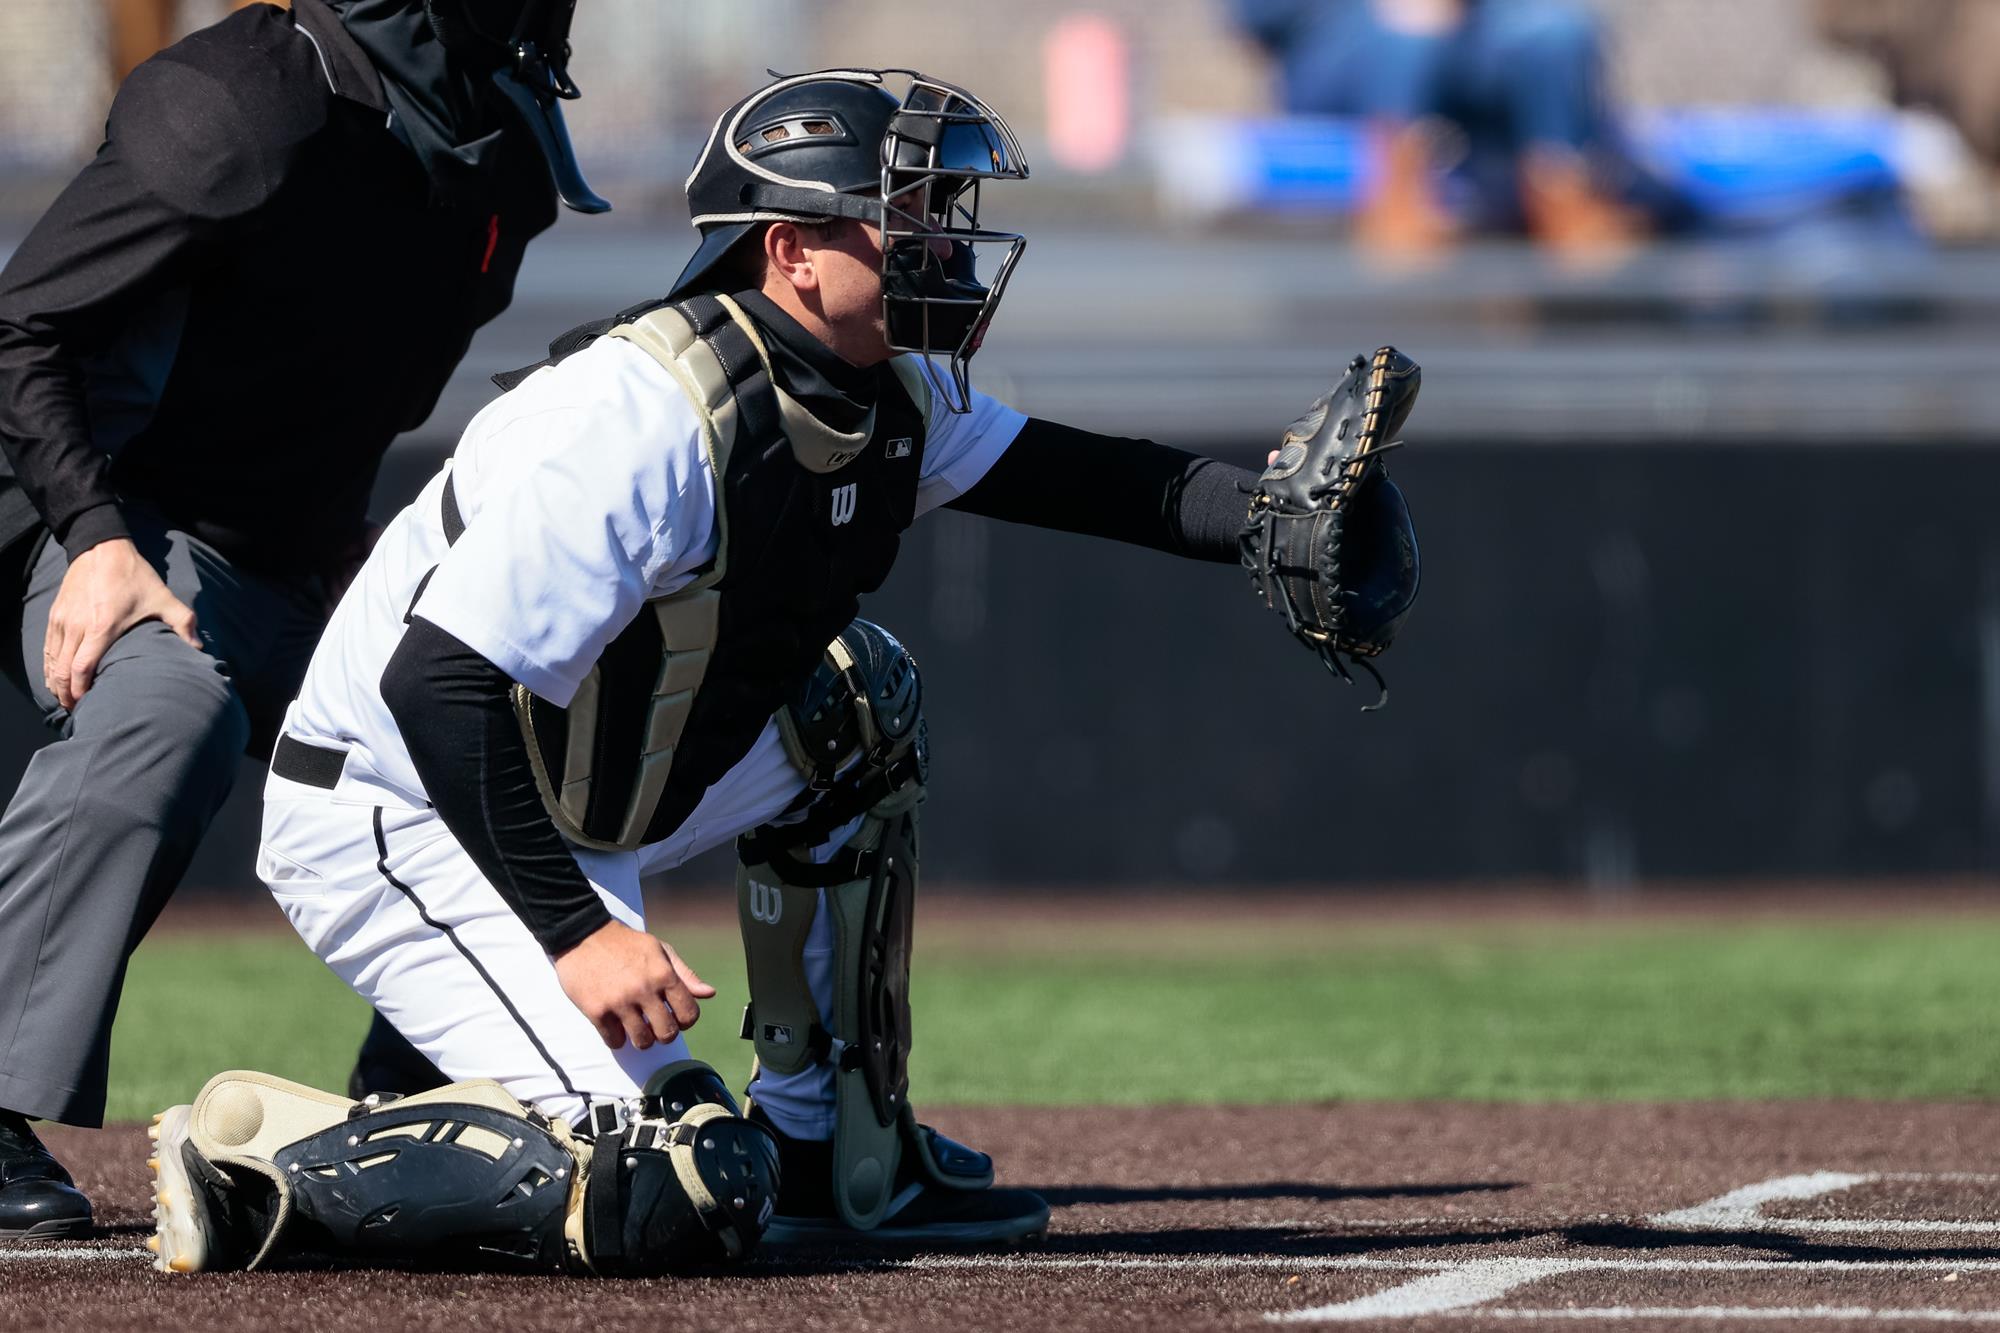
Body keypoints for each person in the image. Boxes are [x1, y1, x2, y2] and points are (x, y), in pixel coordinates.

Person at [147, 67, 1421, 1273]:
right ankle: (271, 1167)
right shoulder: (639, 419)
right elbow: (440, 687)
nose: (937, 244)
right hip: (400, 808)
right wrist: (580, 933)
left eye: (937, 215)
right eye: (897, 219)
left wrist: (1267, 516)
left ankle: (834, 1149)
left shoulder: (887, 388)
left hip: (574, 772)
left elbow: (1084, 475)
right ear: (789, 250)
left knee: (857, 703)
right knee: (679, 1184)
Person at [0, 0, 610, 1241]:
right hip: (104, 513)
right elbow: (23, 325)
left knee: (498, 733)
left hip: (293, 548)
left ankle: (432, 1104)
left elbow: (339, 377)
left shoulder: (496, 148)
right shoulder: (247, 102)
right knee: (171, 709)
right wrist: (97, 535)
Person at [1232, 0, 1685, 256]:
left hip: (1474, 26)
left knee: (1557, 32)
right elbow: (1258, 18)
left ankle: (1563, 197)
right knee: (1406, 33)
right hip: (1341, 41)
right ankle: (1398, 203)